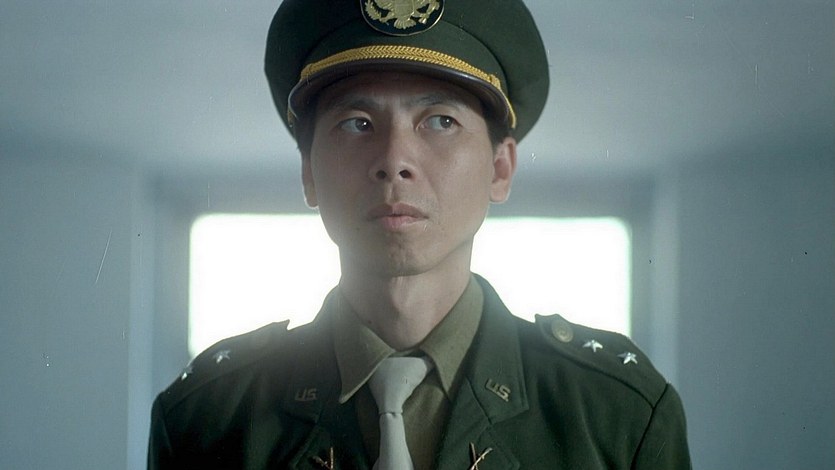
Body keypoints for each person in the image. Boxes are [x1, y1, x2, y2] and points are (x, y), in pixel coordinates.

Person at [148, 0, 692, 468]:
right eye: (357, 123)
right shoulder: (209, 417)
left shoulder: (616, 414)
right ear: (309, 173)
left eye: (440, 121)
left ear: (500, 169)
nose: (394, 160)